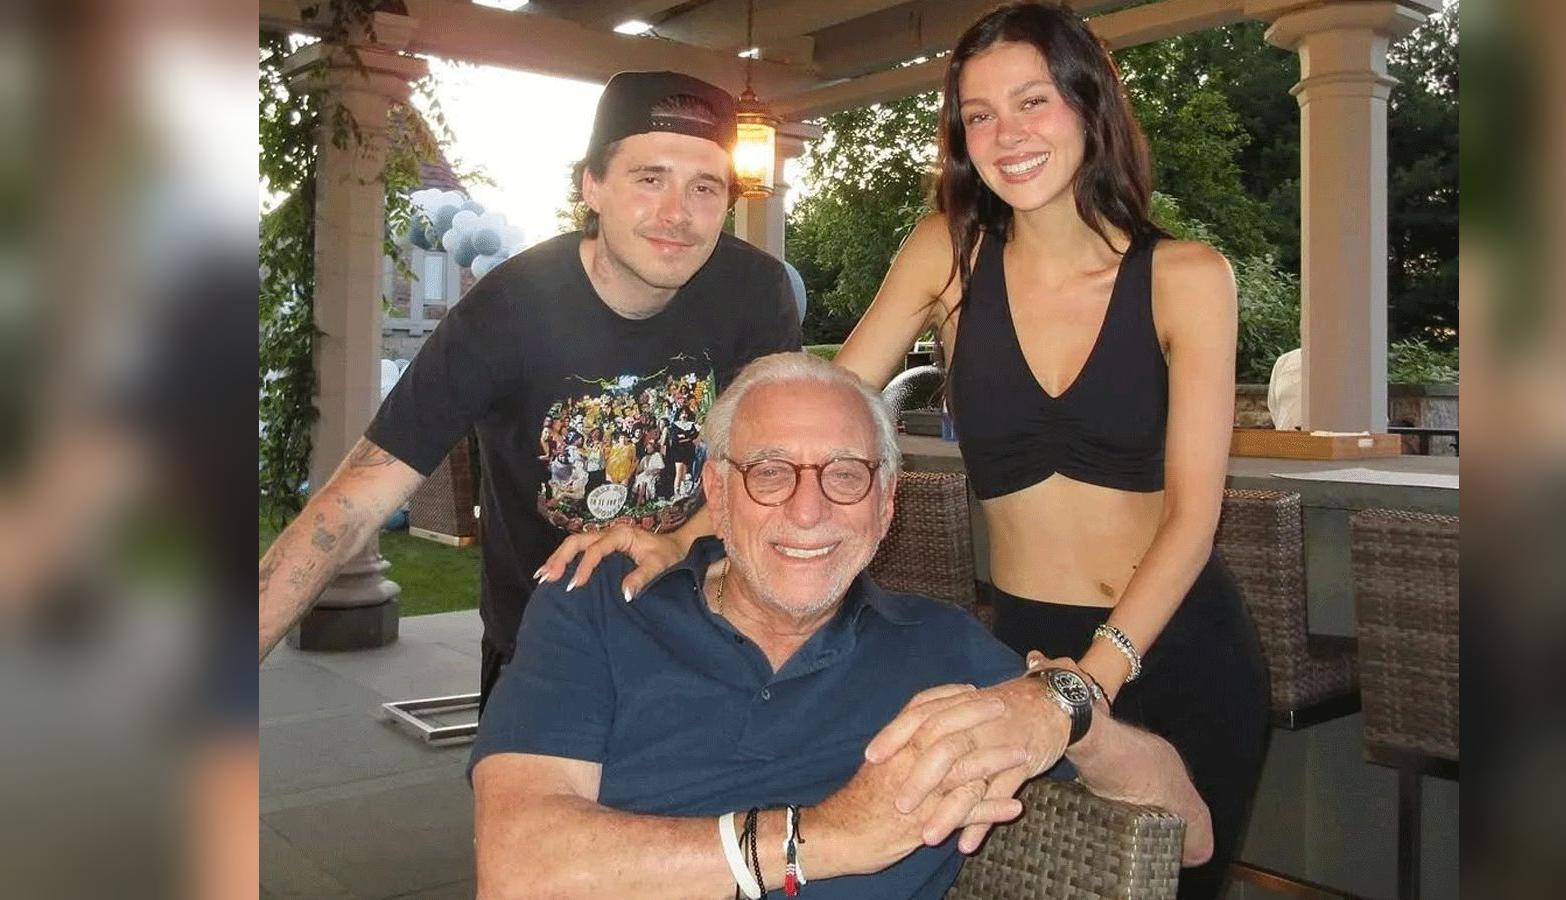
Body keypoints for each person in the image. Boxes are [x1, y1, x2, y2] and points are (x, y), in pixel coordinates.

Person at [536, 6, 1270, 897]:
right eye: (979, 114)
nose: (1007, 135)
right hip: (1020, 642)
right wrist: (682, 535)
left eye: (1032, 101)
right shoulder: (946, 254)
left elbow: (1192, 520)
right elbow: (818, 412)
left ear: (1088, 105)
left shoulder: (1188, 278)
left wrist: (1081, 689)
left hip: (1173, 646)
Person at [471, 353, 1212, 898]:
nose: (808, 510)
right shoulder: (601, 604)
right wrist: (828, 837)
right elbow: (518, 868)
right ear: (717, 494)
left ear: (886, 505)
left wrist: (1070, 713)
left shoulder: (940, 648)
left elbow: (1190, 834)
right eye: (770, 472)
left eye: (846, 475)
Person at [256, 71, 803, 711]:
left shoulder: (753, 292)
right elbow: (356, 497)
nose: (677, 214)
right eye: (649, 179)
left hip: (706, 637)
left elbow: (777, 464)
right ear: (592, 186)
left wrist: (684, 541)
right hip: (543, 650)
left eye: (704, 187)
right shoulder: (507, 311)